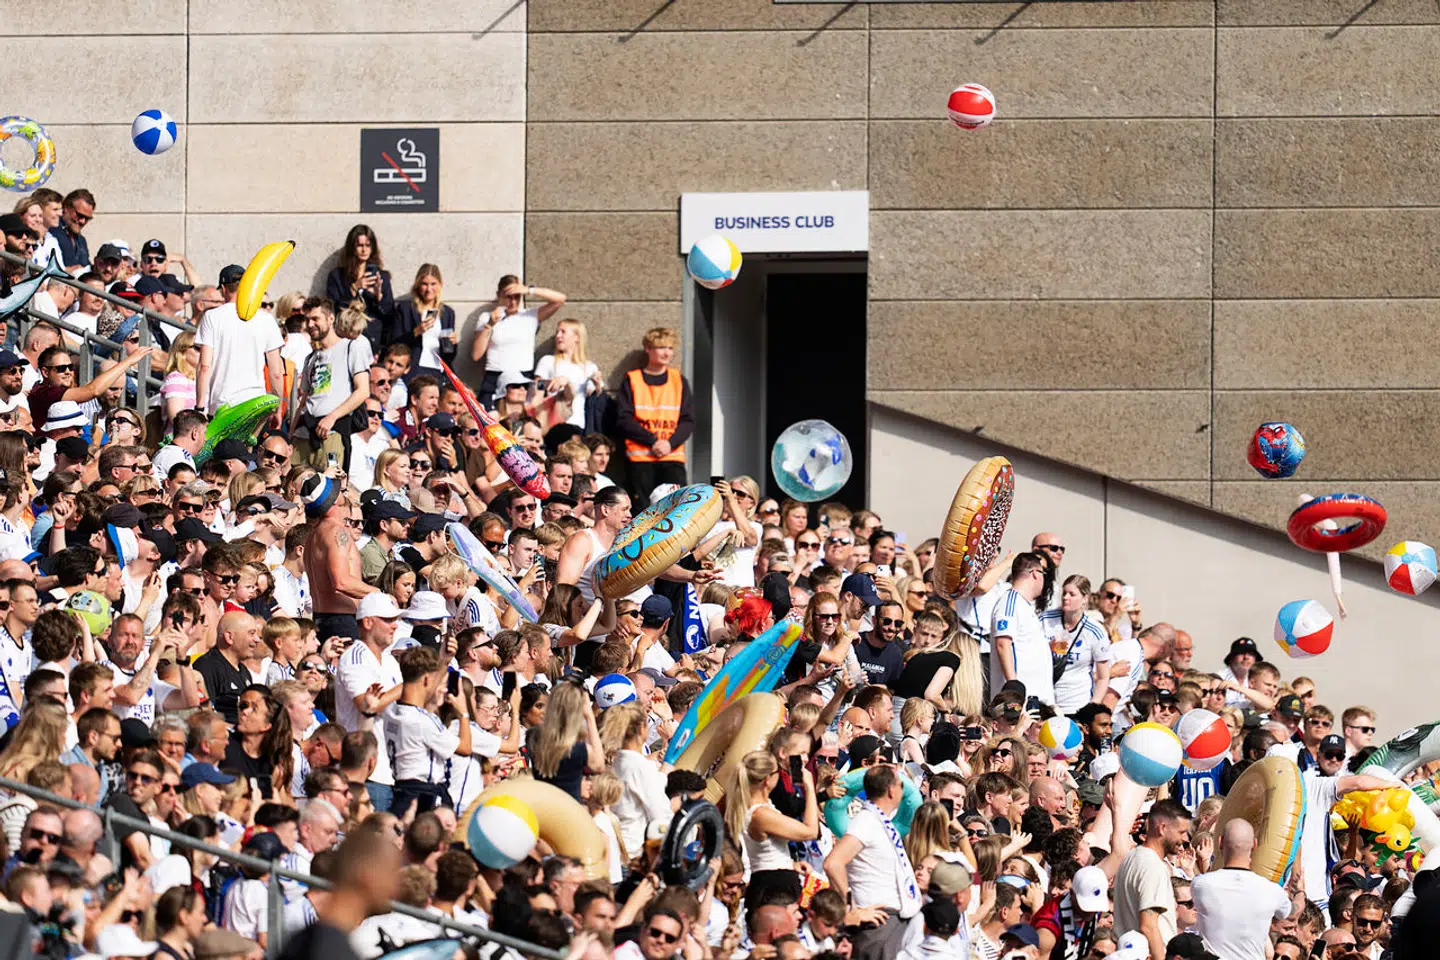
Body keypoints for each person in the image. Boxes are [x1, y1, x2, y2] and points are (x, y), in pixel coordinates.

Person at [824, 765, 921, 960]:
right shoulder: (866, 822)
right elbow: (832, 863)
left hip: (892, 923)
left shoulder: (878, 821)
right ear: (891, 790)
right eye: (901, 785)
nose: (903, 790)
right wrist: (851, 908)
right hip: (879, 924)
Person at [1191, 818, 1297, 960]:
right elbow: (1292, 912)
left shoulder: (1201, 885)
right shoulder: (1271, 890)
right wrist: (1300, 893)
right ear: (1254, 844)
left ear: (1220, 842)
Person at [615, 326, 694, 502]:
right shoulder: (632, 379)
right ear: (648, 349)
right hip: (640, 458)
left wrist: (669, 443)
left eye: (670, 348)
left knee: (678, 508)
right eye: (661, 347)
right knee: (642, 509)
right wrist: (652, 441)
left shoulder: (678, 380)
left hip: (671, 456)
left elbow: (688, 420)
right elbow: (623, 419)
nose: (667, 353)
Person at [469, 274, 568, 407]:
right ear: (499, 295)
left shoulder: (530, 315)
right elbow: (476, 355)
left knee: (520, 417)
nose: (513, 302)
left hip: (522, 376)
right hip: (495, 375)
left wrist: (529, 290)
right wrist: (489, 325)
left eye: (517, 297)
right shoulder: (486, 317)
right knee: (488, 417)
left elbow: (560, 299)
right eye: (508, 296)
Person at [1114, 799, 1192, 960]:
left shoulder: (1132, 857)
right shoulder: (1152, 866)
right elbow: (1148, 926)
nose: (1185, 839)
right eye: (1181, 832)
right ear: (1162, 828)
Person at [301, 473, 375, 641]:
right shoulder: (336, 532)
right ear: (333, 500)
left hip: (323, 617)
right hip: (341, 621)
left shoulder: (314, 534)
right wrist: (379, 594)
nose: (343, 491)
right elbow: (341, 581)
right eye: (338, 490)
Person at [989, 552, 1055, 707]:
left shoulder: (1025, 606)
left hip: (1037, 699)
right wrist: (1014, 690)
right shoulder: (1009, 603)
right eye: (1043, 573)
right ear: (1035, 574)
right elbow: (1003, 644)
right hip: (1020, 703)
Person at [325, 225, 394, 350]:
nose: (364, 250)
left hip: (373, 341)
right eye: (360, 245)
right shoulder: (337, 276)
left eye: (368, 245)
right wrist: (354, 288)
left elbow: (389, 314)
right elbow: (333, 309)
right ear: (352, 247)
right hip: (345, 337)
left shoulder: (381, 276)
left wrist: (379, 297)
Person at [534, 318, 604, 429]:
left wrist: (597, 384)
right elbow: (537, 390)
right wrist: (550, 383)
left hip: (577, 424)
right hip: (552, 425)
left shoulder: (589, 367)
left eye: (563, 332)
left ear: (577, 337)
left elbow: (594, 397)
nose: (558, 336)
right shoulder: (548, 361)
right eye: (557, 332)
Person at [390, 263, 456, 378]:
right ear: (417, 285)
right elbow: (394, 343)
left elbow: (450, 355)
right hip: (415, 369)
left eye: (433, 284)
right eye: (424, 284)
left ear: (440, 285)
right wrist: (416, 332)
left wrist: (453, 343)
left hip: (439, 370)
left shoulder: (447, 313)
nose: (429, 289)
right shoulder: (406, 309)